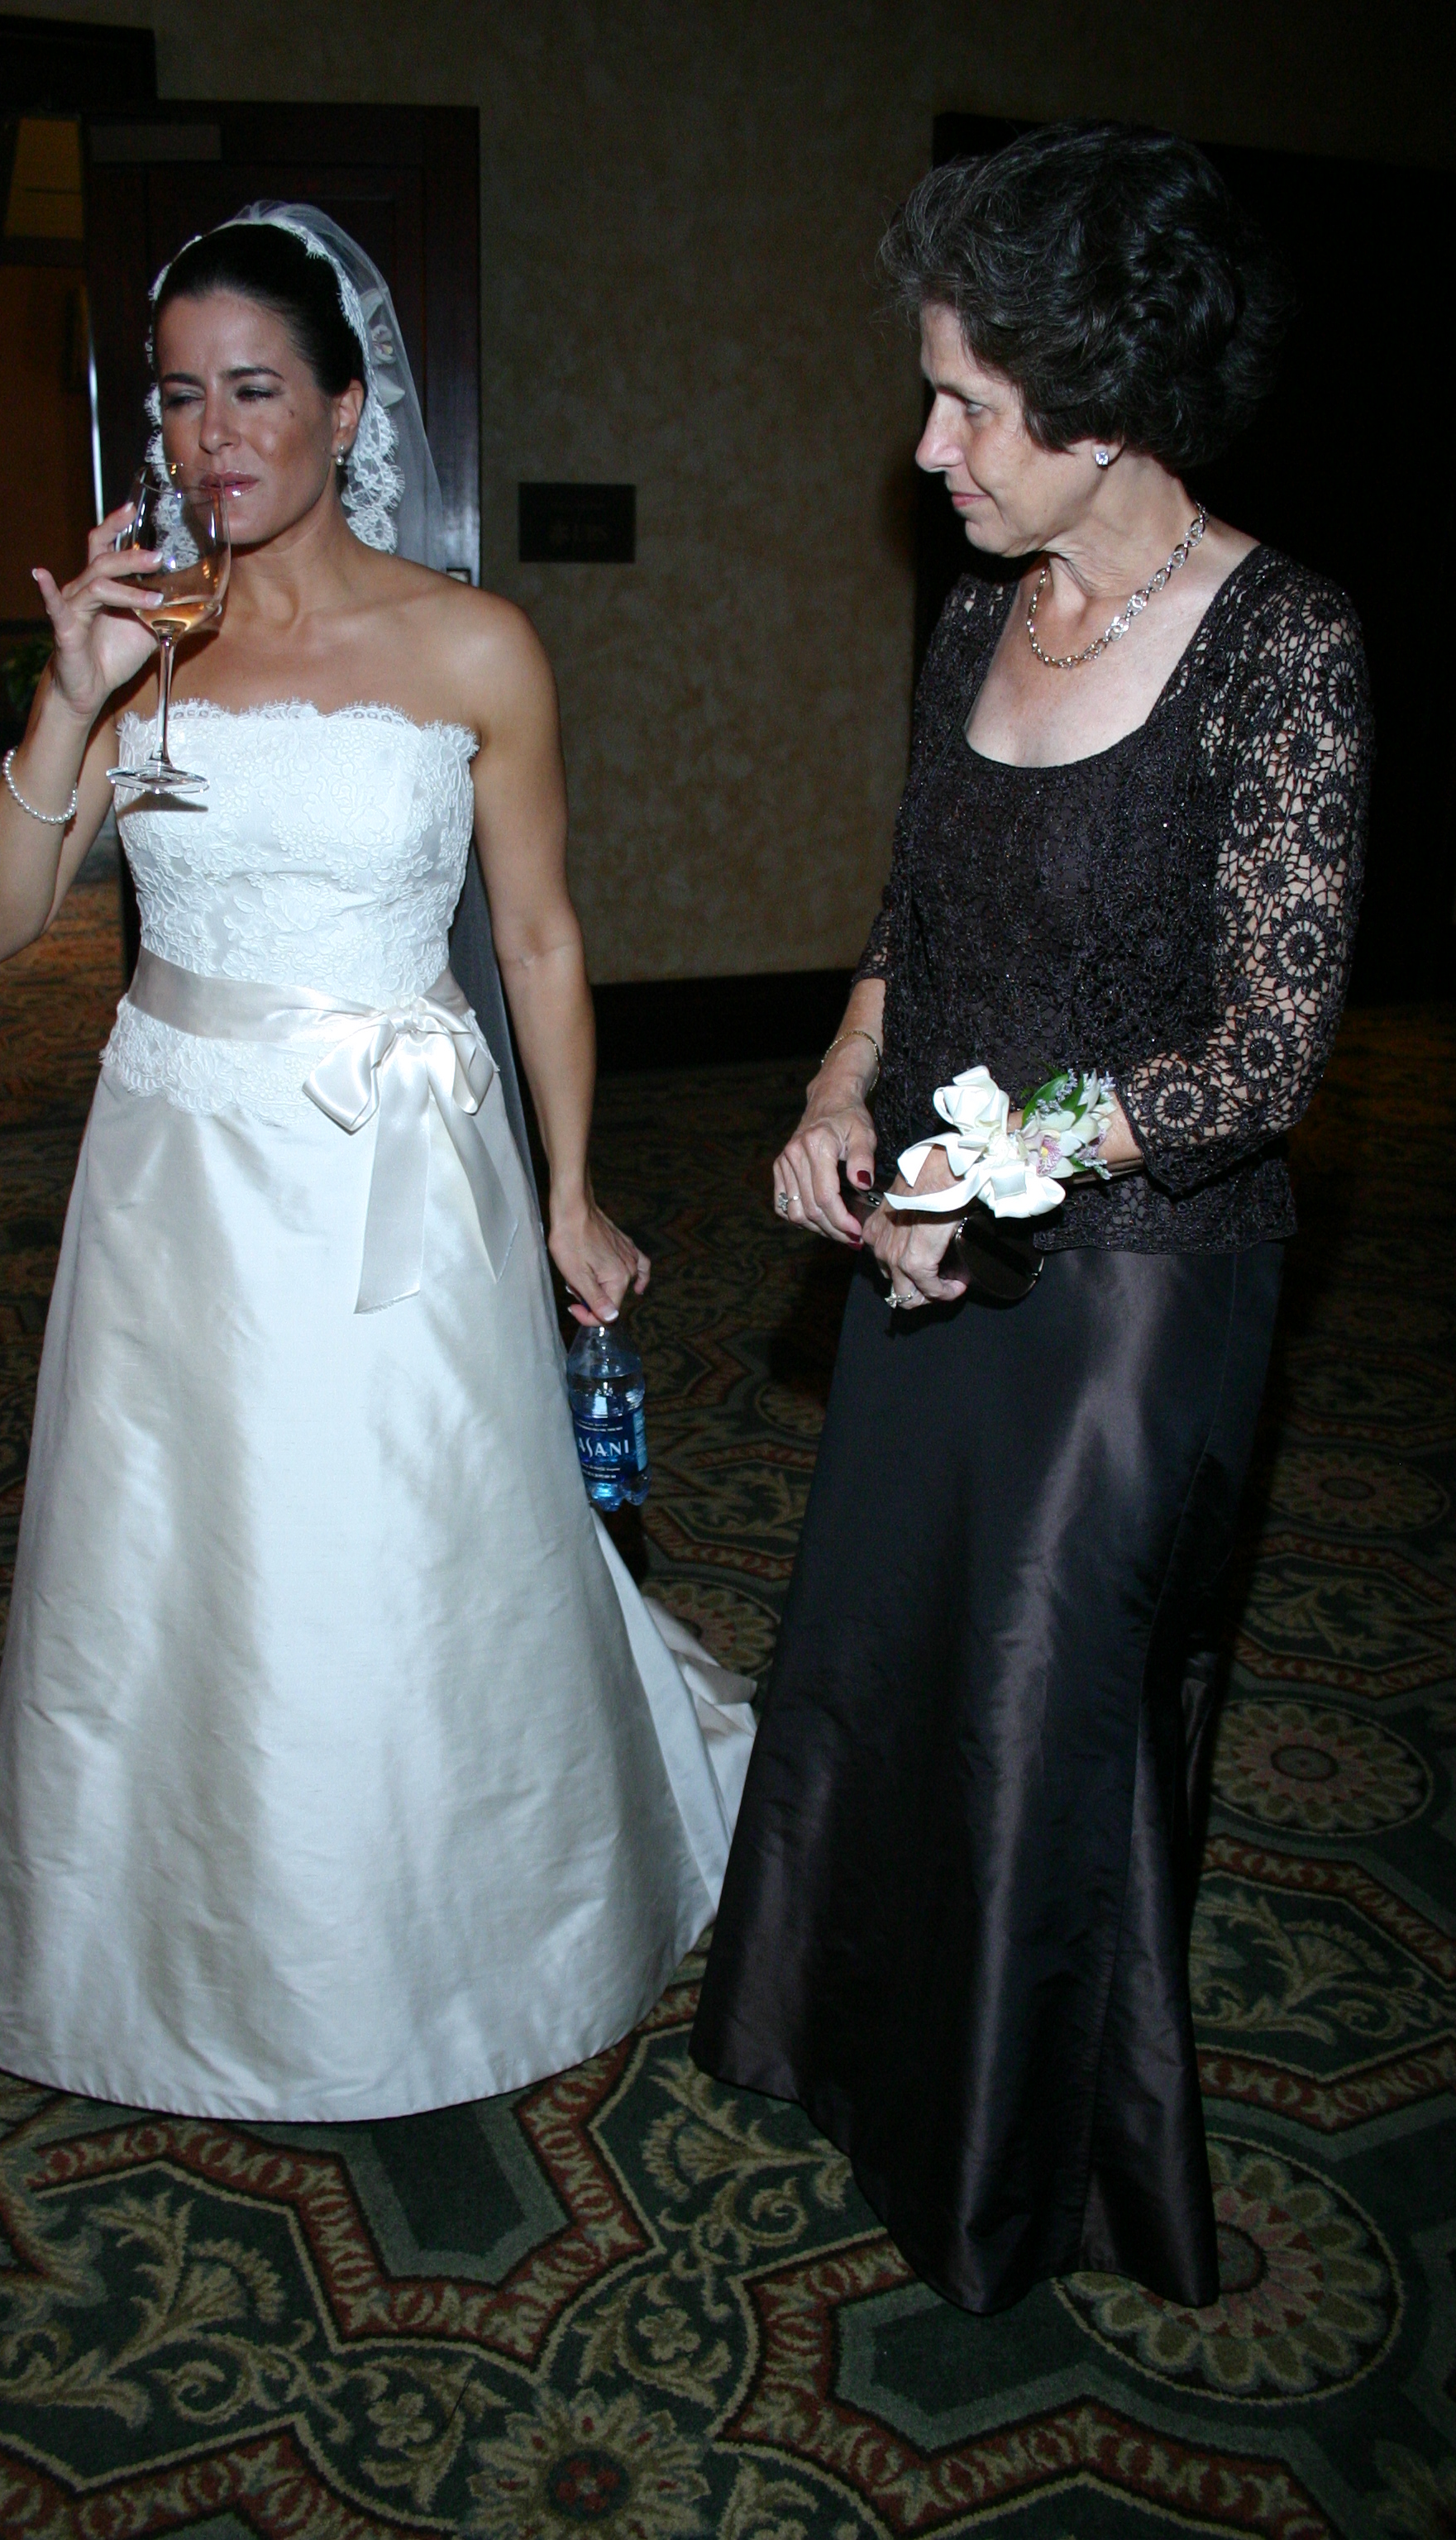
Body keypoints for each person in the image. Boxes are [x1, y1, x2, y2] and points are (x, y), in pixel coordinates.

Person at [0, 204, 752, 2121]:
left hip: (402, 1159)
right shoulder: (144, 649)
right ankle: (183, 1932)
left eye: (254, 390)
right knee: (186, 1543)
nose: (213, 437)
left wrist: (566, 1191)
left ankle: (463, 1920)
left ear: (343, 405)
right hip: (177, 1170)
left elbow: (536, 937)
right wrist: (66, 693)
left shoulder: (472, 644)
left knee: (411, 1531)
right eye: (179, 398)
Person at [690, 123, 1371, 2313]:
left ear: (1111, 405)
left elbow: (1258, 1061)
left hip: (1132, 1297)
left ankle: (1011, 2165)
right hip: (937, 1245)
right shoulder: (979, 610)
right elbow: (917, 912)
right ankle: (838, 2036)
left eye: (970, 404)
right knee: (886, 1660)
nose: (928, 447)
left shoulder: (1287, 646)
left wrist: (968, 1178)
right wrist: (837, 1094)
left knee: (1030, 1705)